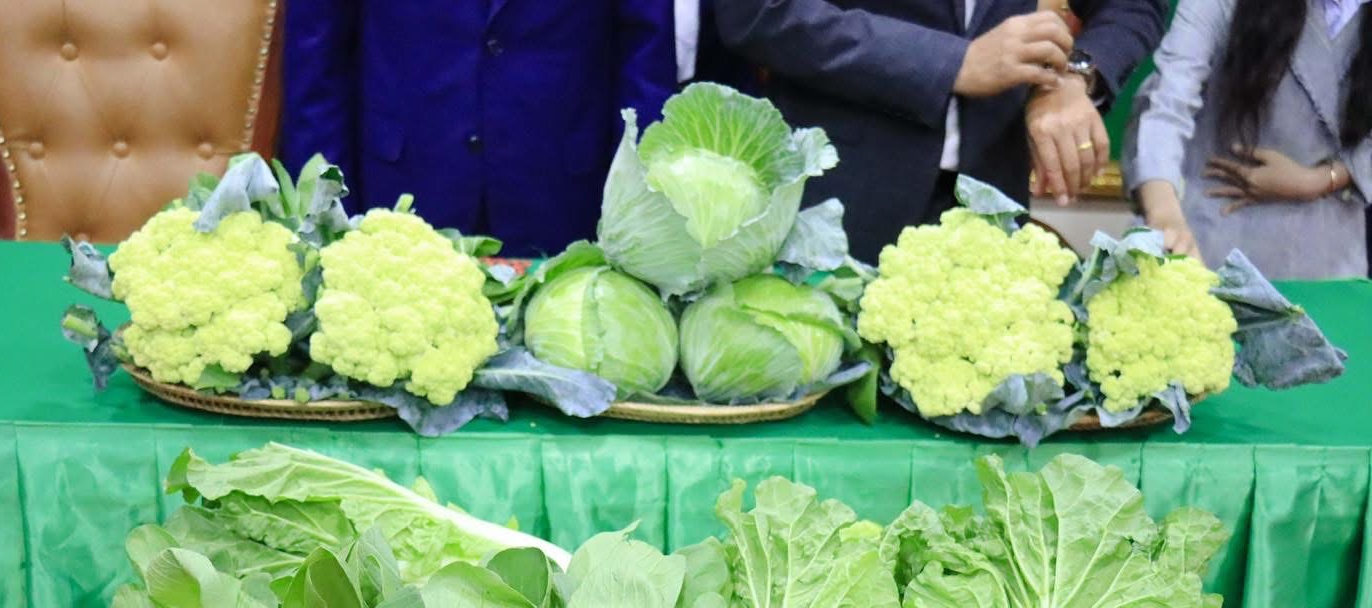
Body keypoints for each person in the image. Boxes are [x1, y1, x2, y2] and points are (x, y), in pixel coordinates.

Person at [710, 0, 1167, 262]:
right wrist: (952, 63)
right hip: (833, 203)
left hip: (992, 204)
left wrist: (1071, 76)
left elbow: (1132, 6)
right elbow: (758, 12)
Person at [280, 1, 678, 257]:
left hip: (563, 197)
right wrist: (324, 223)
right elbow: (317, 60)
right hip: (399, 189)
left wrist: (642, 211)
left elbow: (645, 54)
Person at [1125, 0, 1372, 277]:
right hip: (1211, 238)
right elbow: (1167, 104)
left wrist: (1321, 179)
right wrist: (1163, 214)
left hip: (1330, 253)